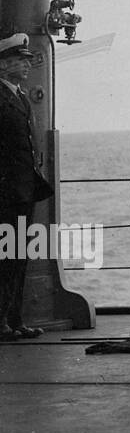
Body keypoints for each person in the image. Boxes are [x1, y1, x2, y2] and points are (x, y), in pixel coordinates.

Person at [0, 32, 56, 342]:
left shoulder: (19, 96)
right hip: (6, 193)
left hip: (22, 191)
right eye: (19, 61)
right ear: (3, 65)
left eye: (27, 60)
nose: (26, 65)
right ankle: (2, 323)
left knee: (18, 257)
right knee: (6, 257)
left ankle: (15, 320)